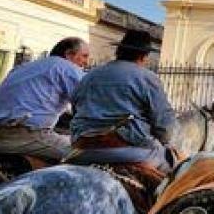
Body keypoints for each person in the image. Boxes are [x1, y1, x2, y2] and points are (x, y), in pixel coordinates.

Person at [69, 29, 176, 173]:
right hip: (125, 150)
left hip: (81, 148)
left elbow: (76, 108)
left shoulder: (90, 75)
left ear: (119, 51)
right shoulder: (147, 77)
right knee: (172, 167)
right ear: (143, 56)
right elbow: (164, 127)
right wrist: (162, 140)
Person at [0, 37, 89, 162]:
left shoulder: (25, 67)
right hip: (21, 136)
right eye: (84, 56)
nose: (86, 62)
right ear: (69, 54)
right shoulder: (66, 67)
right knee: (90, 152)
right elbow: (93, 101)